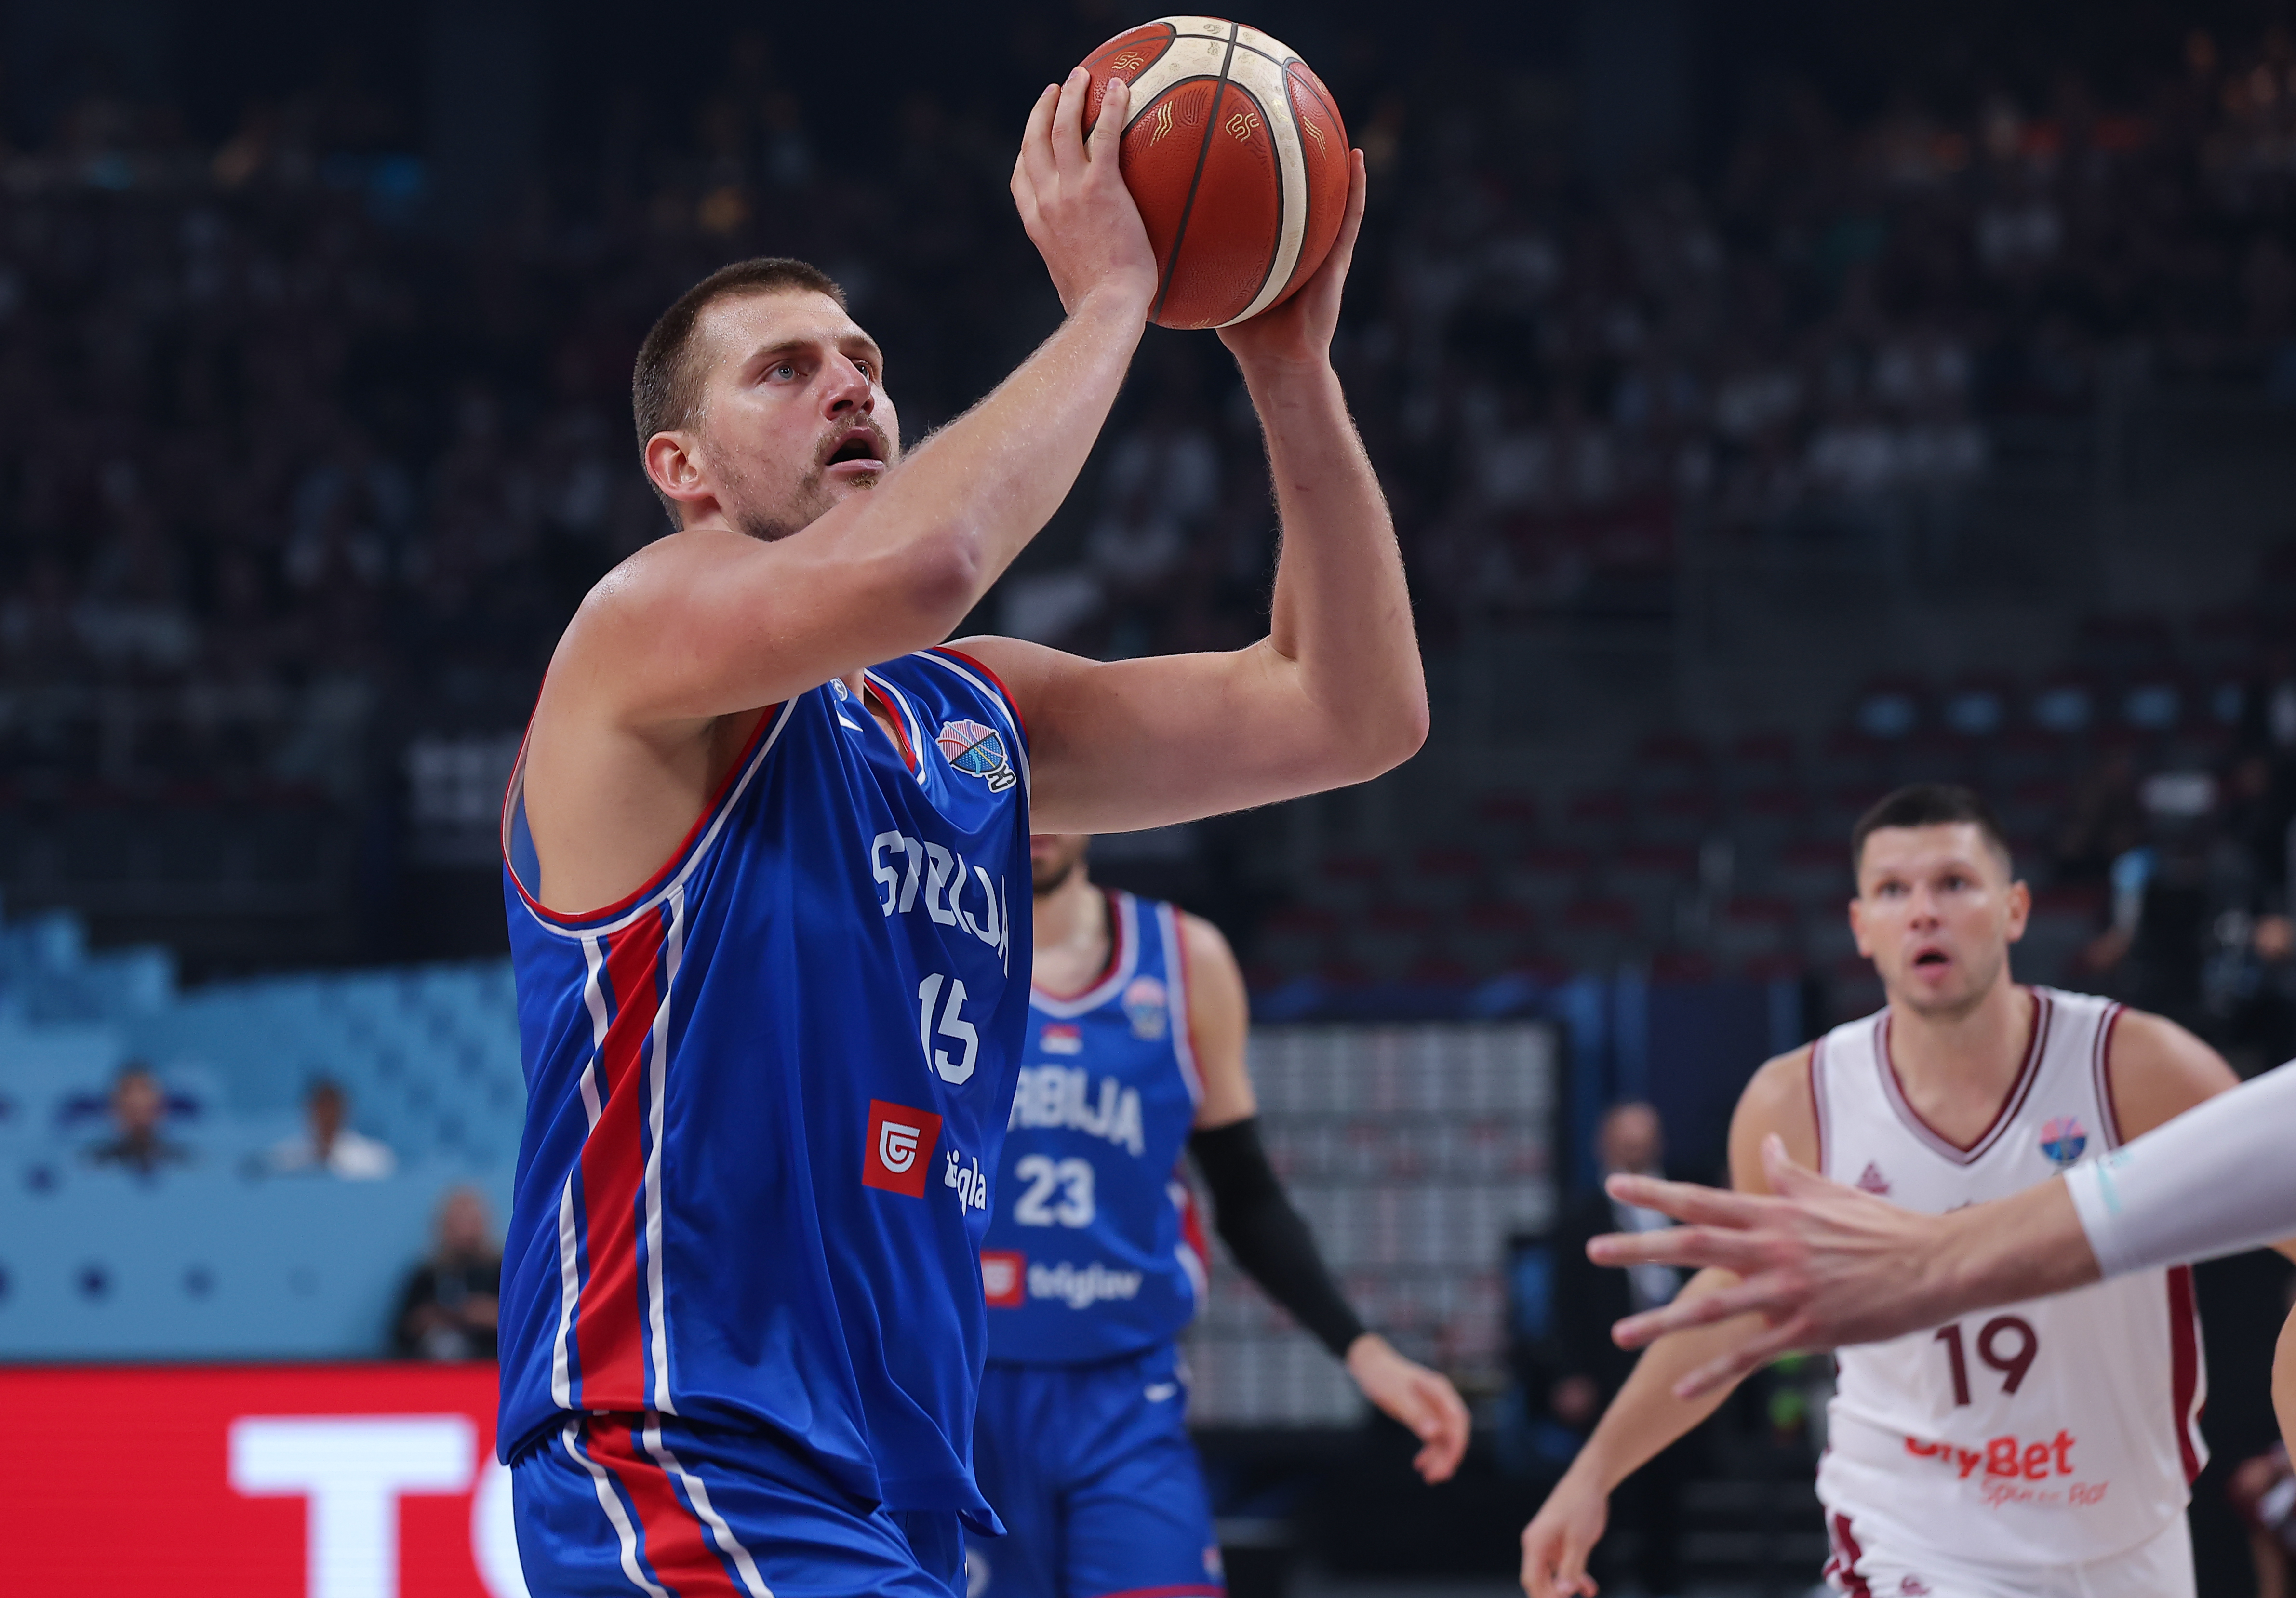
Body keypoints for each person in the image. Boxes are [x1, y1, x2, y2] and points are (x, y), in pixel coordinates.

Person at [497, 69, 1425, 1598]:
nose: (851, 384)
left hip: (904, 1472)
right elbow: (931, 554)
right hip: (680, 1445)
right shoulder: (637, 637)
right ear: (684, 469)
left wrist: (1286, 367)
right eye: (785, 372)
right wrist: (1116, 297)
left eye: (863, 359)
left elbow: (1350, 712)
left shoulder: (966, 720)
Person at [1520, 783, 2296, 1598]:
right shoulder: (1798, 1102)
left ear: (2013, 909)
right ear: (1860, 926)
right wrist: (1592, 1473)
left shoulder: (2135, 1068)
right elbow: (1737, 1296)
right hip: (1912, 1540)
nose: (1921, 911)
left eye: (1953, 883)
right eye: (1892, 890)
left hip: (2127, 1537)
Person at [965, 833, 1468, 1598]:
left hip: (1124, 1393)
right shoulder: (926, 948)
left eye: (1066, 792)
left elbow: (1248, 1195)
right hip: (958, 1390)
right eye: (1029, 794)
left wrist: (1364, 1350)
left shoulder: (1185, 958)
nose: (1047, 818)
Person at [1545, 1102, 1690, 1596]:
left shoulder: (1687, 1208)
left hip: (1675, 1373)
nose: (1634, 1148)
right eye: (1624, 1138)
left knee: (1667, 1497)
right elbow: (1563, 1304)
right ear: (1602, 1146)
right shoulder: (1580, 1217)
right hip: (1607, 1372)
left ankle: (1665, 1585)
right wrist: (1571, 1373)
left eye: (1642, 1137)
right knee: (1601, 1488)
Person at [394, 1184, 503, 1360]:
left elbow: (529, 1327)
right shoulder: (426, 1276)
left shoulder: (502, 1274)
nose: (465, 1231)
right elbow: (400, 1332)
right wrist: (428, 1319)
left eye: (471, 1222)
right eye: (457, 1223)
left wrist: (491, 1316)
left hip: (490, 1367)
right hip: (432, 1373)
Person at [266, 1079, 395, 1179]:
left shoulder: (374, 1161)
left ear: (345, 1112)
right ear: (308, 1112)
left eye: (332, 1110)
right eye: (322, 1109)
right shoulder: (282, 1161)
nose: (327, 1117)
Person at [82, 1063, 190, 1175]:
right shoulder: (93, 1157)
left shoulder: (184, 1156)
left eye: (144, 1089)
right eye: (130, 1108)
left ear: (162, 1105)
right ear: (112, 1107)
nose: (137, 1099)